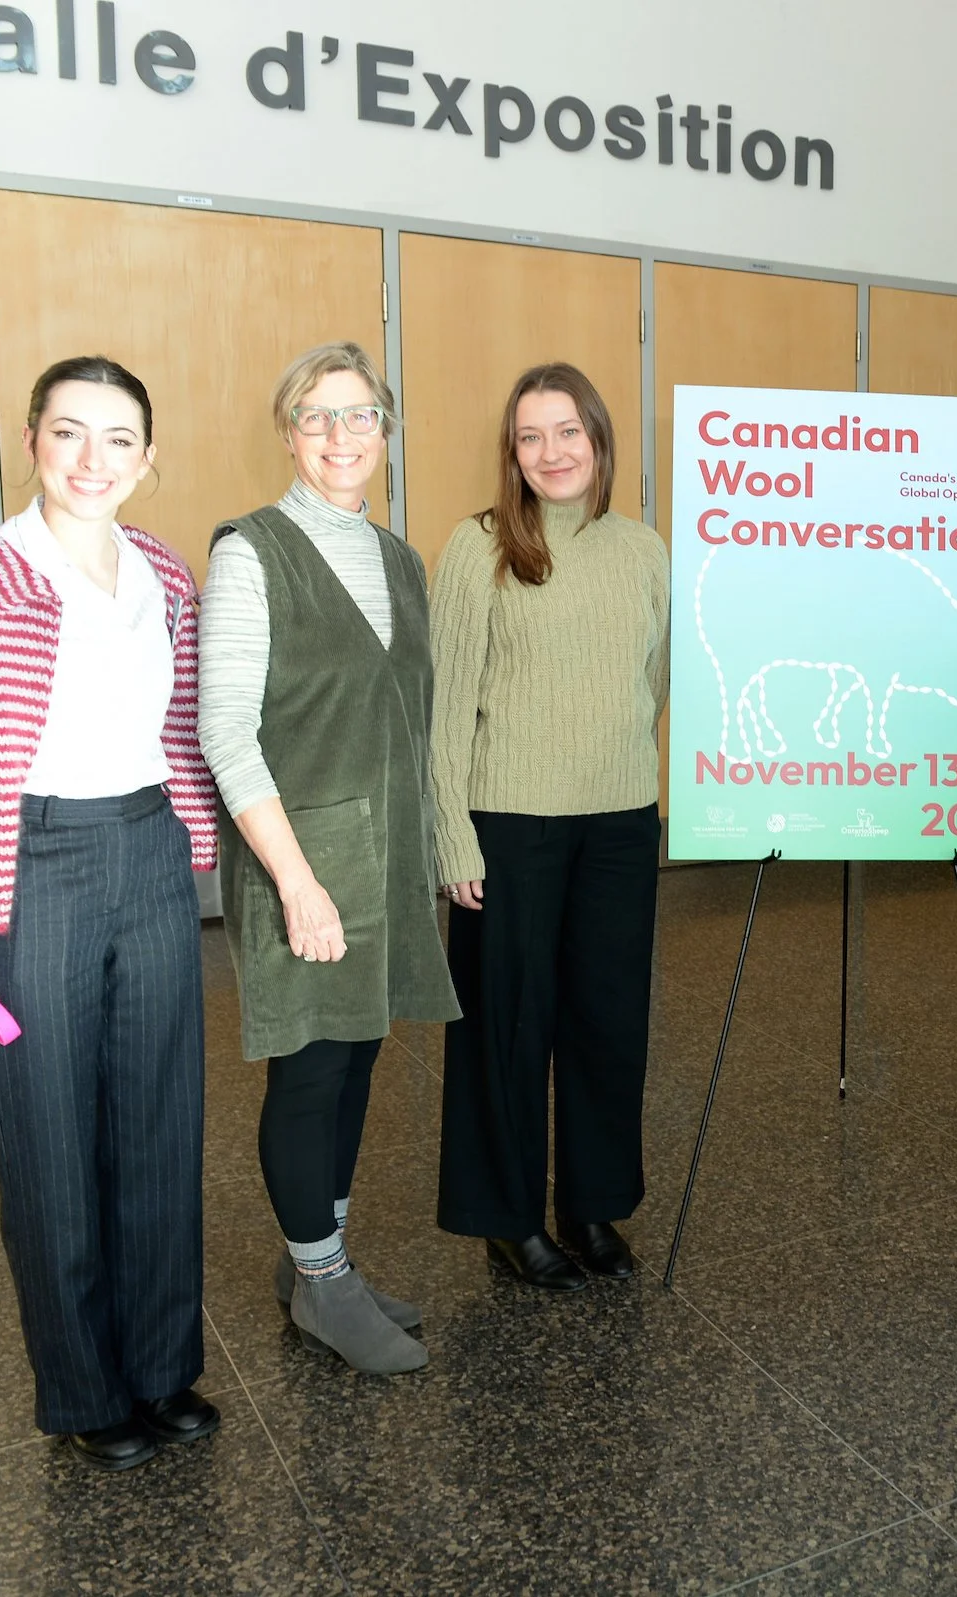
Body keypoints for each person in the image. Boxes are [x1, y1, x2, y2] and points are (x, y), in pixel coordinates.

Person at [0, 356, 219, 1470]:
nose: (91, 461)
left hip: (148, 852)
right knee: (48, 1136)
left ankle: (163, 1369)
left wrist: (204, 843)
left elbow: (182, 730)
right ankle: (83, 1391)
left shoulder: (164, 575)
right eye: (68, 434)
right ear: (31, 442)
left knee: (161, 1123)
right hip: (31, 865)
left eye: (118, 439)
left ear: (148, 459)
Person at [199, 341, 458, 1375]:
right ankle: (321, 1285)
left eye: (358, 416)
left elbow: (411, 721)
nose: (339, 436)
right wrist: (297, 882)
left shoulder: (399, 557)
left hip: (382, 855)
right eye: (316, 416)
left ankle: (321, 1257)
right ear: (287, 430)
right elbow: (226, 728)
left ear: (385, 432)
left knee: (355, 1057)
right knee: (308, 1070)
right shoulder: (250, 551)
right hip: (298, 859)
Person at [430, 363, 667, 1291]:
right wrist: (452, 833)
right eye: (531, 437)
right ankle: (509, 1216)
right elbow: (446, 706)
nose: (551, 452)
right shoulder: (478, 546)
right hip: (508, 823)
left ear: (598, 440)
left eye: (567, 432)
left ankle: (593, 1204)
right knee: (508, 1027)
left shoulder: (643, 549)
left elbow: (653, 684)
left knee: (609, 1024)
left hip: (616, 821)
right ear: (512, 453)